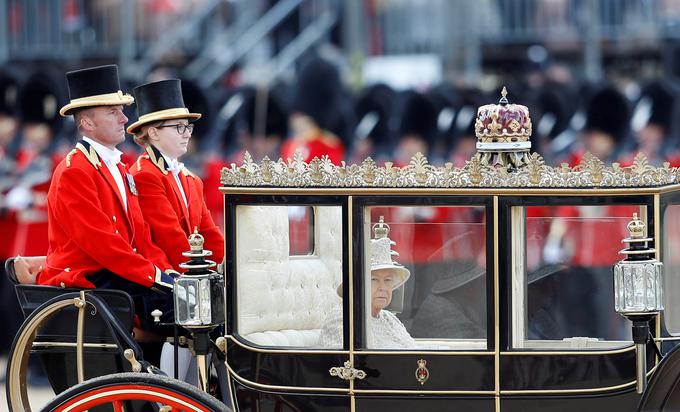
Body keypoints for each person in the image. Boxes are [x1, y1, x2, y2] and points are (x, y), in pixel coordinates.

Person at [36, 65, 178, 332]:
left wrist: (169, 273)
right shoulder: (73, 171)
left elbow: (142, 239)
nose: (125, 119)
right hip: (88, 281)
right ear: (87, 123)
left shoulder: (121, 168)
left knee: (194, 303)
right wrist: (157, 278)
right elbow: (103, 245)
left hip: (118, 275)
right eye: (113, 112)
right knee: (181, 311)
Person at [127, 79, 224, 272]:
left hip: (190, 272)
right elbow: (170, 238)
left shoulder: (192, 179)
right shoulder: (145, 174)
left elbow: (209, 233)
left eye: (188, 127)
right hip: (167, 278)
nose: (187, 134)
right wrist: (202, 275)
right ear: (154, 133)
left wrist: (228, 266)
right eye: (179, 127)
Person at [319, 217, 416, 349]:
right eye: (374, 279)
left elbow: (413, 352)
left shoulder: (389, 319)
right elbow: (347, 365)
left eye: (387, 280)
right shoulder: (342, 320)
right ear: (357, 285)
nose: (383, 288)